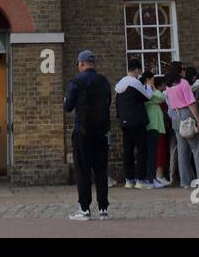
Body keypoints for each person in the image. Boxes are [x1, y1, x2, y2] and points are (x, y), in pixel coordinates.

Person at [64, 50, 112, 219]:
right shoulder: (104, 81)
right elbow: (108, 103)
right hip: (101, 132)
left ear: (82, 63)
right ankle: (103, 209)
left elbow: (68, 106)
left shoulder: (76, 82)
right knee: (101, 170)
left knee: (83, 170)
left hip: (82, 132)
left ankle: (84, 209)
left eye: (78, 64)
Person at [164, 62, 199, 187]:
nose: (184, 71)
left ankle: (185, 181)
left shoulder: (168, 86)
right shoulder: (184, 83)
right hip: (186, 114)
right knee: (198, 148)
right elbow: (191, 103)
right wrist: (198, 122)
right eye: (183, 69)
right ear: (179, 71)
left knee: (182, 151)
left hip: (175, 116)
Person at [115, 58, 153, 189]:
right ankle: (141, 180)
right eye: (140, 70)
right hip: (137, 121)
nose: (140, 73)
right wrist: (148, 84)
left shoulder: (119, 84)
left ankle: (129, 180)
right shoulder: (135, 83)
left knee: (128, 151)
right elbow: (147, 97)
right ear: (136, 69)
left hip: (124, 122)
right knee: (142, 150)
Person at [143, 72, 170, 187]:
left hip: (156, 124)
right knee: (153, 152)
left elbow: (161, 98)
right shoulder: (146, 90)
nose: (153, 82)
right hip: (152, 124)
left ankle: (154, 177)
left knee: (155, 151)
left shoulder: (151, 91)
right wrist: (153, 89)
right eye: (152, 80)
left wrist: (153, 90)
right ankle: (152, 177)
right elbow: (160, 98)